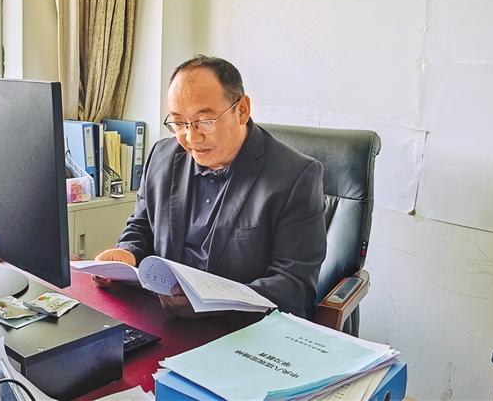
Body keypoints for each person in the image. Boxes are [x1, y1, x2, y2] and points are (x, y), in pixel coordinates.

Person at [94, 55, 326, 320]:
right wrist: (126, 254)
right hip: (162, 315)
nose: (191, 137)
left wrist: (211, 303)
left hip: (238, 328)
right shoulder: (162, 156)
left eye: (205, 121)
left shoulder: (295, 176)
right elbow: (142, 226)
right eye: (179, 123)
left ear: (242, 110)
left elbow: (294, 287)